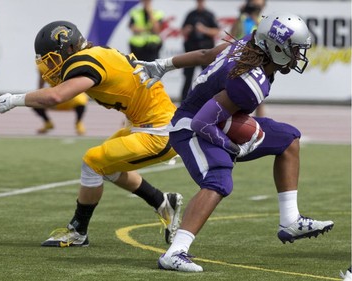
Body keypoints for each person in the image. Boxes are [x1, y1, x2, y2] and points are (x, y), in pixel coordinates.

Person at [133, 12, 334, 272]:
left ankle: (290, 220)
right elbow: (202, 123)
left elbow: (207, 54)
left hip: (216, 118)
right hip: (190, 127)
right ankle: (175, 252)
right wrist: (233, 147)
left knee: (288, 138)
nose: (298, 56)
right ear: (275, 47)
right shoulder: (249, 81)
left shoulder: (250, 44)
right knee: (219, 179)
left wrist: (164, 64)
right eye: (294, 49)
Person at [0, 20, 183, 247]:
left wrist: (15, 99)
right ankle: (163, 202)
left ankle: (78, 231)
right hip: (150, 122)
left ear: (69, 47)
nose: (50, 66)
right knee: (105, 166)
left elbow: (57, 96)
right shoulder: (98, 53)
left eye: (53, 58)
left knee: (93, 162)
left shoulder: (85, 61)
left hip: (159, 131)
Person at [230, 0, 266, 117]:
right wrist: (240, 14)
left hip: (256, 58)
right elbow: (233, 33)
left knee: (258, 94)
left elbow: (263, 33)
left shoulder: (262, 21)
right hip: (241, 56)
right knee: (237, 91)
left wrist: (254, 16)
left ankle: (261, 121)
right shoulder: (243, 19)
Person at [180, 0, 219, 101]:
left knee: (207, 77)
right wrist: (186, 30)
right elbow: (182, 31)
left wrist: (204, 29)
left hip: (206, 51)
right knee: (188, 78)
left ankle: (209, 100)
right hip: (191, 50)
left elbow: (216, 31)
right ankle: (184, 101)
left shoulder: (209, 15)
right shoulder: (190, 14)